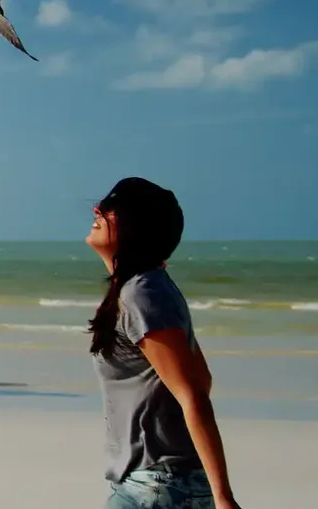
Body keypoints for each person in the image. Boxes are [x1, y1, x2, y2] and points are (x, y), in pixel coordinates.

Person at [86, 177, 240, 509]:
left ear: (136, 225)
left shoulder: (143, 293)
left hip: (156, 486)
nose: (98, 209)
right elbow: (201, 379)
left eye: (112, 205)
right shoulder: (148, 288)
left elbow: (194, 392)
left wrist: (224, 498)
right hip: (162, 482)